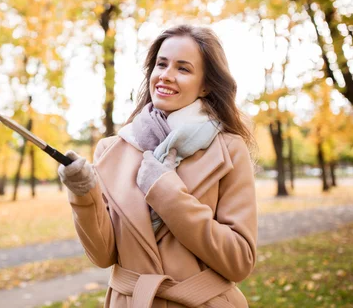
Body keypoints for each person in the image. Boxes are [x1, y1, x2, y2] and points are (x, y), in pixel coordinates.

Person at [58, 24, 257, 308]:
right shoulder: (113, 149)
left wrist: (165, 192)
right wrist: (83, 195)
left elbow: (239, 261)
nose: (165, 75)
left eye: (183, 69)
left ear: (206, 85)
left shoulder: (228, 149)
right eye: (161, 64)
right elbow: (103, 256)